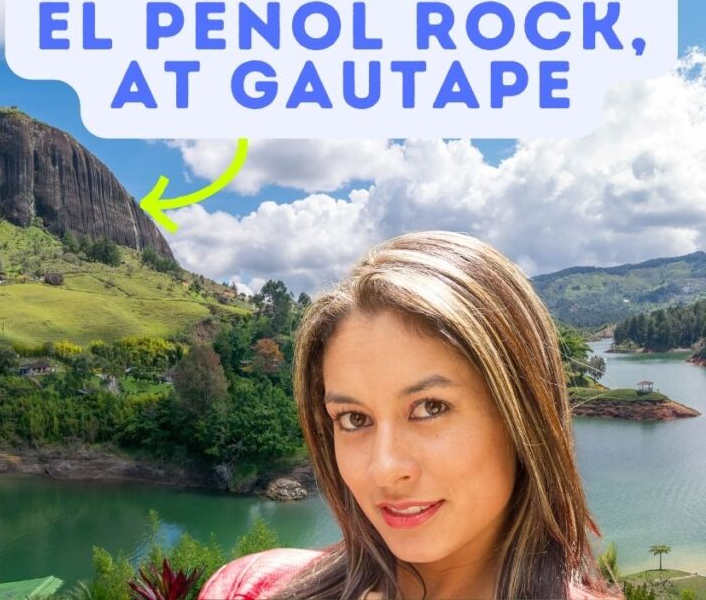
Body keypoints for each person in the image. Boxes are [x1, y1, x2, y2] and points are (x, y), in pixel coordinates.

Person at [199, 231, 620, 600]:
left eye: (430, 408)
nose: (383, 469)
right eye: (353, 418)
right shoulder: (249, 589)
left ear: (521, 416)